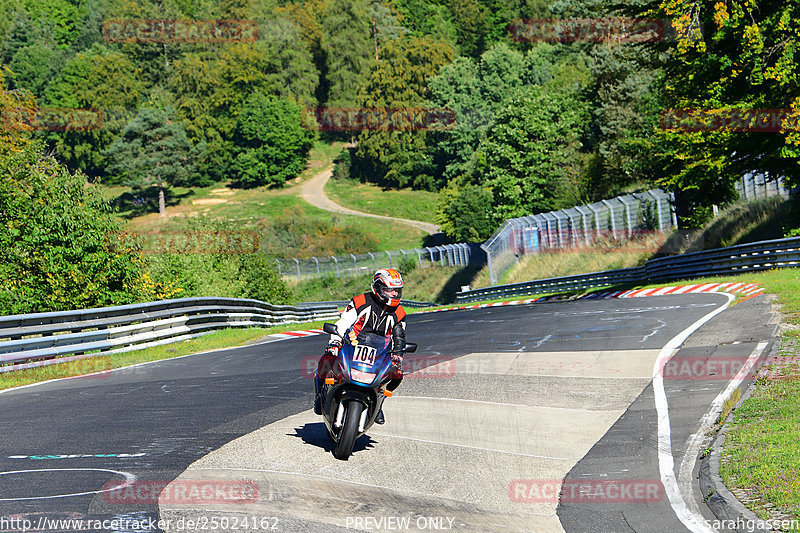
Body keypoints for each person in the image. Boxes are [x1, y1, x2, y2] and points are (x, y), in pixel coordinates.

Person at [313, 268, 407, 424]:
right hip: (352, 344)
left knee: (397, 374)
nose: (394, 294)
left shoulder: (400, 313)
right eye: (390, 290)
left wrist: (399, 353)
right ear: (378, 288)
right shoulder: (360, 302)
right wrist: (335, 341)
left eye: (397, 290)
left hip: (380, 352)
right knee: (328, 358)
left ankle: (379, 401)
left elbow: (400, 336)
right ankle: (319, 395)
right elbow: (343, 322)